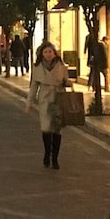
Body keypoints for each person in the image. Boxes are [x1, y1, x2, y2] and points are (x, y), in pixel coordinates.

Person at [25, 41, 69, 169]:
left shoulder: (61, 66)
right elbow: (33, 87)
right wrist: (29, 103)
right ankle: (46, 153)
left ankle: (55, 158)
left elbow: (67, 81)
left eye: (50, 51)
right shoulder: (37, 67)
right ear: (41, 54)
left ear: (54, 53)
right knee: (46, 129)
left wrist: (67, 83)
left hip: (58, 99)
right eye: (46, 52)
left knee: (57, 130)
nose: (48, 54)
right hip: (45, 100)